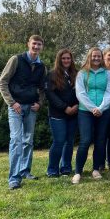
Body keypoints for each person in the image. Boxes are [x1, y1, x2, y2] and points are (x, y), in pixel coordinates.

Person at [0, 34, 46, 190]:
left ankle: (25, 171)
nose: (36, 47)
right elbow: (2, 82)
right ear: (28, 44)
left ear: (42, 47)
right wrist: (12, 103)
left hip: (31, 108)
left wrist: (40, 103)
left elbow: (42, 89)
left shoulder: (41, 66)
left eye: (39, 44)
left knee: (28, 141)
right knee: (16, 140)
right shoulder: (16, 60)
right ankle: (14, 178)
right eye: (34, 44)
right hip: (16, 108)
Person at [72, 47, 110, 184]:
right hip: (85, 111)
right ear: (89, 57)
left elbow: (109, 92)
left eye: (98, 56)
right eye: (93, 56)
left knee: (100, 140)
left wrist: (101, 108)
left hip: (104, 111)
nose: (96, 58)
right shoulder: (82, 73)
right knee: (85, 140)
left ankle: (96, 169)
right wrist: (92, 108)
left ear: (101, 58)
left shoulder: (107, 74)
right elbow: (80, 93)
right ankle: (78, 171)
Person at [45, 48, 78, 177]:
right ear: (59, 60)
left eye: (68, 58)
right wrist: (65, 107)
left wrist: (77, 105)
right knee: (59, 141)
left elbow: (82, 91)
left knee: (69, 141)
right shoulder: (51, 75)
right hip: (57, 114)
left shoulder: (77, 74)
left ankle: (66, 168)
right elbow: (50, 95)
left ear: (71, 59)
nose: (66, 60)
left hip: (74, 113)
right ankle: (52, 169)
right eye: (63, 58)